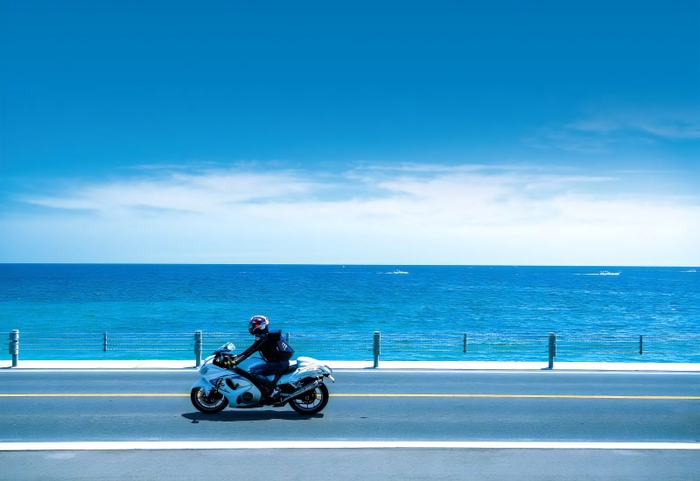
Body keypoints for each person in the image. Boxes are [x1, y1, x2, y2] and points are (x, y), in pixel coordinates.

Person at [232, 315, 290, 402]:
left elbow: (252, 349)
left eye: (257, 324)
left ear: (263, 325)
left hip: (277, 364)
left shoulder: (263, 337)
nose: (254, 326)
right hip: (277, 362)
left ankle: (272, 389)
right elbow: (252, 350)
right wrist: (237, 356)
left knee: (255, 373)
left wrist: (237, 360)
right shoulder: (264, 336)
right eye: (253, 324)